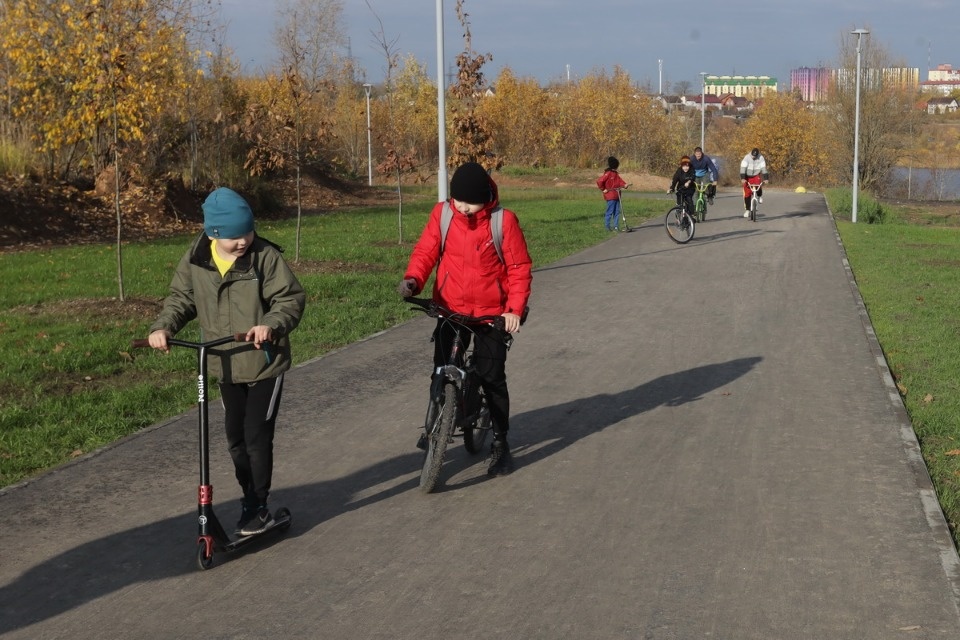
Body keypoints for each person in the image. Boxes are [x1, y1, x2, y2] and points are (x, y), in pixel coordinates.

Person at [147, 187, 306, 536]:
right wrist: (163, 327)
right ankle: (250, 497)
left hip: (264, 361)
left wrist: (271, 324)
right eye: (235, 236)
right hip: (224, 363)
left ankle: (258, 505)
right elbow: (181, 298)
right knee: (234, 438)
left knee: (255, 436)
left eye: (248, 232)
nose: (243, 241)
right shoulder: (196, 258)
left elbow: (289, 298)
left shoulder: (264, 256)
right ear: (213, 234)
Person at [398, 162, 533, 477]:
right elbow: (426, 252)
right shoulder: (443, 215)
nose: (462, 207)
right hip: (450, 306)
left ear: (485, 198)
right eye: (457, 201)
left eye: (469, 202)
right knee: (440, 368)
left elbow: (519, 268)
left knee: (492, 377)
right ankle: (438, 421)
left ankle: (500, 442)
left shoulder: (503, 222)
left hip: (491, 314)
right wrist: (413, 280)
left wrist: (513, 310)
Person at [596, 156, 628, 231]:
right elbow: (599, 181)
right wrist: (603, 189)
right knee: (610, 212)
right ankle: (607, 227)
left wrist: (625, 185)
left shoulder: (615, 174)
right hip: (610, 196)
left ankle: (616, 226)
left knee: (617, 212)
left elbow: (620, 181)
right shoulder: (608, 173)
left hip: (617, 195)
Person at [740, 147, 770, 217]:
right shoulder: (746, 158)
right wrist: (743, 178)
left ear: (757, 155)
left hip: (756, 174)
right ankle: (747, 210)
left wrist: (766, 178)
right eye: (753, 155)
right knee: (747, 193)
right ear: (751, 153)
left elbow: (763, 168)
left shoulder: (761, 158)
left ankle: (759, 196)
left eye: (755, 156)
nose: (754, 157)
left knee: (758, 185)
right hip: (747, 176)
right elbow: (743, 168)